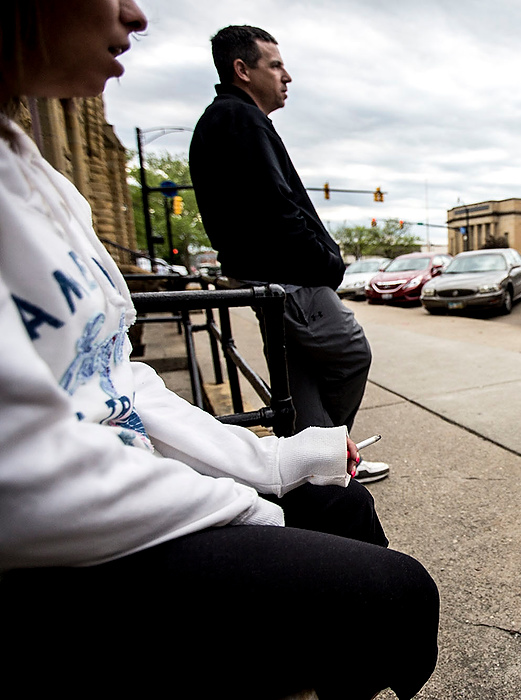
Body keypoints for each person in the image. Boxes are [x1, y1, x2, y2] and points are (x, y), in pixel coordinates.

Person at [0, 2, 437, 697]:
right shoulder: (236, 118)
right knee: (398, 594)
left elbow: (121, 382)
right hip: (60, 549)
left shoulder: (44, 183)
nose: (135, 15)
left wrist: (279, 457)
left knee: (341, 500)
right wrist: (249, 509)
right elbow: (21, 482)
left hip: (116, 482)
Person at [188, 25, 388, 483]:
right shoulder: (239, 119)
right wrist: (328, 261)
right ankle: (326, 459)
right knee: (350, 354)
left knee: (298, 380)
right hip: (290, 277)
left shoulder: (227, 120)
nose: (287, 76)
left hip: (270, 278)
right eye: (275, 65)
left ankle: (316, 470)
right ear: (242, 70)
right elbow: (278, 208)